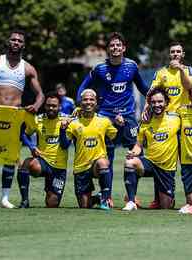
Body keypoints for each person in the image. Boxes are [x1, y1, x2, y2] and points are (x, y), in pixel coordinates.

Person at [76, 32, 149, 206]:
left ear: (124, 48)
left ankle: (131, 196)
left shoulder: (131, 66)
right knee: (105, 157)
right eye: (112, 46)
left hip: (128, 117)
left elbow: (143, 87)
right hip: (105, 118)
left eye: (118, 45)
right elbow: (82, 88)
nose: (115, 48)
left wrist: (153, 101)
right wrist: (80, 104)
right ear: (108, 49)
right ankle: (105, 196)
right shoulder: (100, 69)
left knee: (136, 155)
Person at [147, 41, 192, 208]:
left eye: (178, 52)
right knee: (159, 159)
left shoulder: (189, 70)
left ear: (183, 55)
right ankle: (158, 197)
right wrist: (146, 108)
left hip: (184, 120)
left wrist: (180, 69)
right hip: (165, 120)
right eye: (173, 52)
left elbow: (189, 87)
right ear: (169, 55)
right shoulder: (161, 73)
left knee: (186, 161)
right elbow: (151, 93)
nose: (175, 54)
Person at [122, 87, 180, 211]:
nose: (157, 105)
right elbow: (138, 145)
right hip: (150, 163)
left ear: (166, 102)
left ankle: (166, 197)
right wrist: (133, 153)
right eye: (153, 102)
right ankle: (131, 201)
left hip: (166, 168)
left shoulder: (176, 119)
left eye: (160, 102)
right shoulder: (145, 121)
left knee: (166, 207)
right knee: (130, 163)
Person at [59, 89, 117, 209]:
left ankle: (106, 198)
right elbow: (64, 145)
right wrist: (62, 129)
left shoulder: (104, 121)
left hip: (96, 164)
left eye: (91, 99)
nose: (88, 102)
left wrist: (121, 124)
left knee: (103, 162)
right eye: (85, 99)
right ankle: (99, 197)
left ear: (96, 102)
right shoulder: (73, 123)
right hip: (81, 167)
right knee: (84, 205)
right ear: (80, 103)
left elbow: (115, 137)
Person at [17, 92, 70, 208]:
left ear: (60, 106)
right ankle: (24, 201)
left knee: (52, 204)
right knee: (26, 164)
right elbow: (24, 135)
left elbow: (65, 145)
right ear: (45, 106)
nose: (51, 108)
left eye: (54, 106)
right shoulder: (38, 120)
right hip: (43, 162)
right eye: (48, 105)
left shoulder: (67, 120)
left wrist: (62, 130)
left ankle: (50, 189)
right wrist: (32, 147)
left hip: (59, 168)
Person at [0, 105, 35, 208]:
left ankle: (5, 199)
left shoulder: (21, 112)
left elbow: (32, 127)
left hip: (11, 143)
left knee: (9, 164)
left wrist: (30, 113)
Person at [0, 29, 44, 112]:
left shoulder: (28, 69)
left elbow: (40, 95)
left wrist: (36, 106)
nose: (16, 42)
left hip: (14, 114)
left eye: (20, 41)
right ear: (8, 42)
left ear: (23, 45)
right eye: (13, 40)